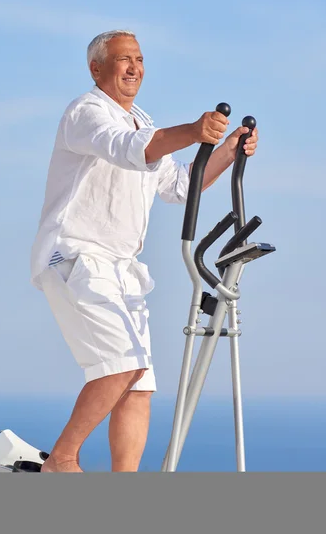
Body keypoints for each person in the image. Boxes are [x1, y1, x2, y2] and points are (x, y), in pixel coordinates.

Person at [30, 29, 258, 472]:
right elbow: (125, 149)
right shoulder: (87, 112)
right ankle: (62, 460)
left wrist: (228, 150)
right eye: (122, 59)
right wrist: (193, 131)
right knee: (120, 367)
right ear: (97, 68)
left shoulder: (143, 121)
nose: (133, 66)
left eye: (138, 58)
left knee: (138, 383)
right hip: (75, 256)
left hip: (121, 268)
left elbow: (177, 185)